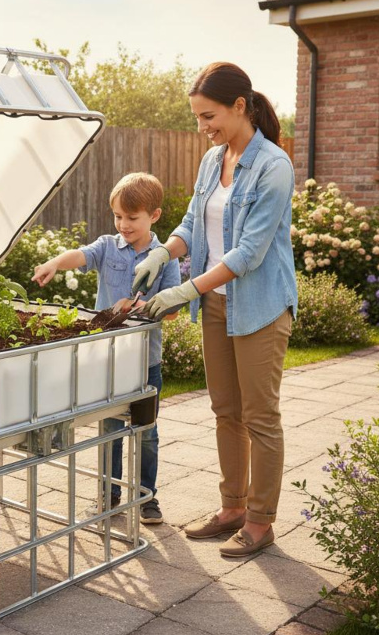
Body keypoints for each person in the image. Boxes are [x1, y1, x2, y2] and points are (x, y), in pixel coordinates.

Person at [132, 62, 297, 557]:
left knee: (260, 415)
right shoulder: (212, 161)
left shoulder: (273, 166)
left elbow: (248, 252)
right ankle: (233, 507)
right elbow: (190, 224)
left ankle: (262, 520)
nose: (202, 128)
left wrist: (183, 290)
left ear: (240, 107)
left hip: (261, 306)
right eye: (198, 119)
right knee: (226, 410)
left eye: (209, 117)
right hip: (217, 306)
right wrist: (165, 251)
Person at [32, 172, 181, 525]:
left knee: (146, 432)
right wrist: (54, 262)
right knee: (110, 430)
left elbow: (173, 309)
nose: (123, 224)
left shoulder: (165, 257)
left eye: (132, 218)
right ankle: (108, 493)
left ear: (154, 216)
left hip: (146, 361)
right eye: (118, 216)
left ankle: (147, 497)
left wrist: (142, 307)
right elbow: (80, 255)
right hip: (108, 362)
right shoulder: (107, 247)